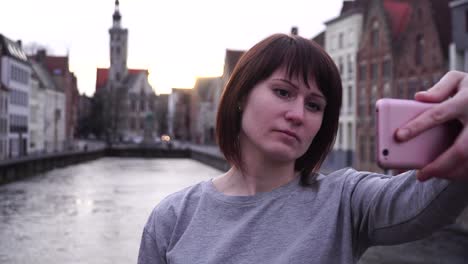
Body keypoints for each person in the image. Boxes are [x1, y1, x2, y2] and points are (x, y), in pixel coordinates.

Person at [137, 33, 468, 264]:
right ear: (240, 96)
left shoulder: (346, 201)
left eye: (314, 105)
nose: (297, 114)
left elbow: (427, 201)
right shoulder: (172, 219)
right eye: (282, 92)